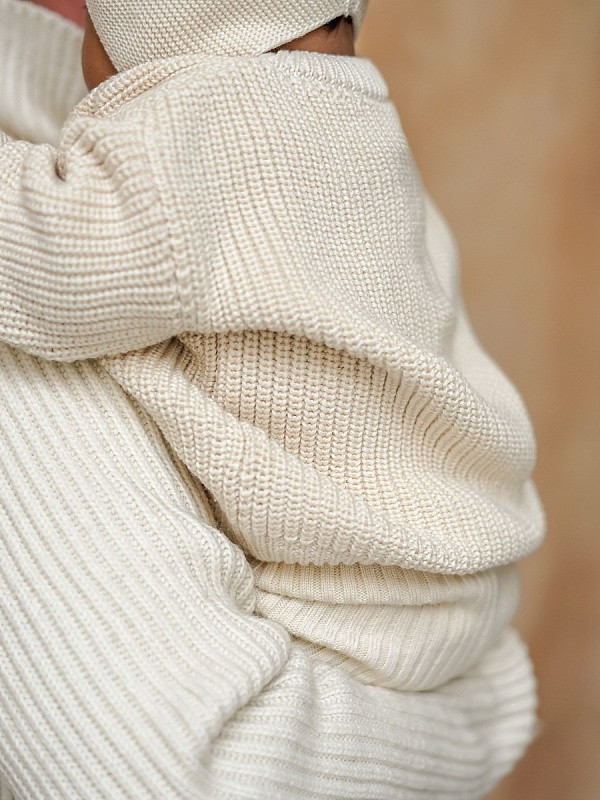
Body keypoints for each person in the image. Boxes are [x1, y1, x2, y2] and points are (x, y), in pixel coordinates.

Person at [0, 0, 546, 797]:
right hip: (455, 581)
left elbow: (49, 257)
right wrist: (489, 700)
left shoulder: (206, 131)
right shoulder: (356, 120)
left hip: (352, 605)